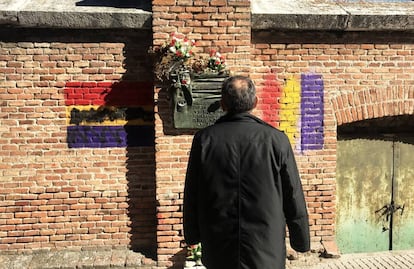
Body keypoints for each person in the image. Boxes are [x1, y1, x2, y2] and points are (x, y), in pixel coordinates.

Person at [183, 75, 310, 269]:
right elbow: (292, 192)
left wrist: (192, 234)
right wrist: (300, 239)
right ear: (255, 102)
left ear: (222, 104)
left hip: (220, 245)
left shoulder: (204, 140)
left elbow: (192, 192)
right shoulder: (276, 140)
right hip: (266, 247)